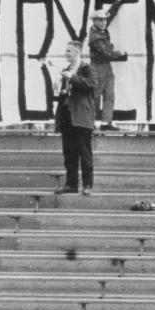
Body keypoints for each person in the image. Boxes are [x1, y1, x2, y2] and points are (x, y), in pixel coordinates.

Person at [53, 40, 99, 195]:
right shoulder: (67, 69)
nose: (66, 54)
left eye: (69, 51)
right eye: (66, 51)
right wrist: (59, 91)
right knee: (69, 153)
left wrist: (72, 77)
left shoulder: (87, 68)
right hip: (67, 116)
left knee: (84, 152)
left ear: (77, 52)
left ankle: (87, 185)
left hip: (82, 116)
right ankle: (71, 184)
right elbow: (68, 92)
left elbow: (92, 84)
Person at [88, 0, 128, 131]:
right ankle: (91, 121)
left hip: (105, 67)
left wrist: (119, 0)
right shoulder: (95, 37)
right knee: (96, 95)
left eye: (104, 20)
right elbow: (107, 54)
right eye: (100, 20)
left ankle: (106, 121)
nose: (104, 22)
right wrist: (120, 53)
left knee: (109, 94)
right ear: (94, 21)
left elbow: (110, 12)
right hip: (98, 67)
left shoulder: (100, 29)